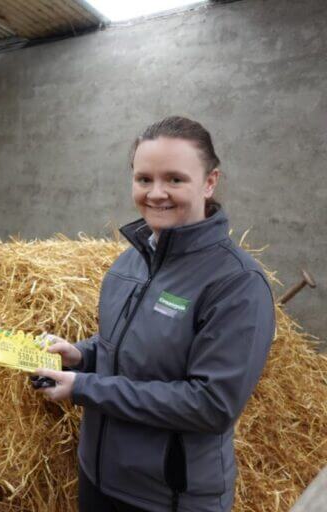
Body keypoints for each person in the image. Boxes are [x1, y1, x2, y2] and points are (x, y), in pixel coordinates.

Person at [33, 116, 275, 512]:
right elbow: (129, 347)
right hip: (98, 478)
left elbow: (211, 404)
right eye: (144, 179)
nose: (156, 193)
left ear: (209, 182)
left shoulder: (236, 282)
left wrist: (83, 387)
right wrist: (81, 355)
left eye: (175, 179)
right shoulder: (128, 264)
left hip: (169, 497)